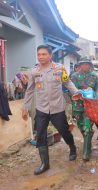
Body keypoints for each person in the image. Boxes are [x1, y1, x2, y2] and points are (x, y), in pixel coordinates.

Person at [22, 45, 78, 175]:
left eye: (44, 54)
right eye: (39, 54)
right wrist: (25, 107)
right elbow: (29, 90)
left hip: (57, 107)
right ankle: (45, 164)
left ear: (50, 55)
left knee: (64, 131)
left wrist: (77, 93)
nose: (41, 57)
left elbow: (68, 83)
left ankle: (72, 147)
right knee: (40, 134)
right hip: (41, 108)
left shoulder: (59, 68)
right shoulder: (34, 71)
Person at [71, 59, 98, 161]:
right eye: (83, 64)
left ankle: (86, 152)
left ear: (90, 65)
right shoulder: (74, 76)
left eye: (87, 64)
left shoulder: (94, 76)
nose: (85, 66)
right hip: (77, 106)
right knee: (81, 126)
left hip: (90, 106)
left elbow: (96, 90)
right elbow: (71, 90)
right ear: (80, 65)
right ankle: (88, 141)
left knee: (88, 127)